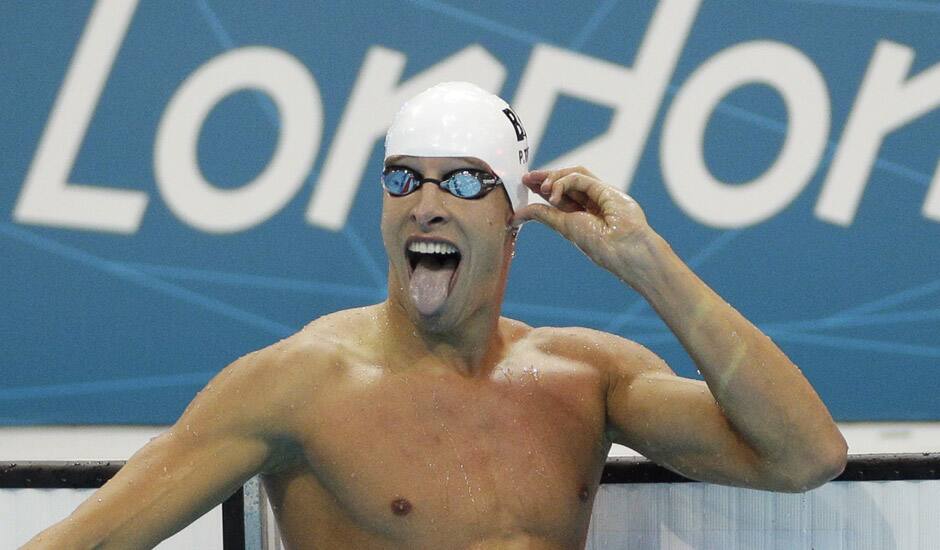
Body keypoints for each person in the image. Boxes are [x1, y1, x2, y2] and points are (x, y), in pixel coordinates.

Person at [24, 82, 846, 549]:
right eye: (402, 179)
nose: (424, 205)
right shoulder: (300, 386)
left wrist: (648, 264)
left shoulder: (583, 379)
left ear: (512, 219)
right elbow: (85, 543)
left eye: (460, 183)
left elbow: (805, 454)